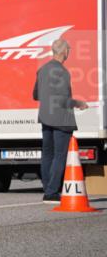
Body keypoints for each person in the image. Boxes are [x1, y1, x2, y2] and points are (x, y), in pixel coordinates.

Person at [33, 38, 87, 203]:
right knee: (60, 155)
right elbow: (62, 100)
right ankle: (51, 192)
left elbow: (35, 95)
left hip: (45, 117)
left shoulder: (42, 70)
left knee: (47, 154)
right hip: (61, 119)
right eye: (68, 50)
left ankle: (48, 188)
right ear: (64, 51)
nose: (69, 52)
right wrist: (79, 103)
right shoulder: (63, 72)